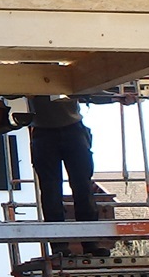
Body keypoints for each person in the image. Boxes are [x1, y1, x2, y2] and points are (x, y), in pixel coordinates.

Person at [25, 95, 103, 255]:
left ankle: (89, 242)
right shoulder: (29, 78)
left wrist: (115, 98)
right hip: (46, 131)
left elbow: (89, 91)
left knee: (82, 187)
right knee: (51, 191)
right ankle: (60, 244)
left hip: (69, 129)